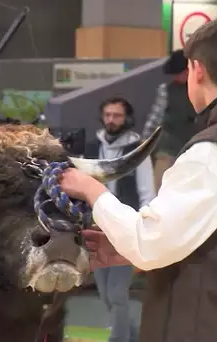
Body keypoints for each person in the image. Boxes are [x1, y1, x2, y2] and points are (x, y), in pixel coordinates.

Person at [58, 17, 217, 342]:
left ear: (196, 70)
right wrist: (130, 247)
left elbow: (149, 243)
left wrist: (91, 190)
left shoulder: (210, 153)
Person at [83, 97, 155, 342]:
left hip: (126, 227)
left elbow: (147, 191)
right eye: (108, 115)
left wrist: (145, 224)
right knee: (105, 294)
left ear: (128, 119)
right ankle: (133, 337)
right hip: (97, 228)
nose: (112, 120)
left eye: (117, 115)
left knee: (116, 293)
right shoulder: (92, 148)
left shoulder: (138, 150)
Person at [142, 49, 198, 191]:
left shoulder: (201, 91)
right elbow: (155, 117)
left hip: (194, 148)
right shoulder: (166, 90)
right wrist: (145, 142)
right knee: (160, 188)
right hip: (168, 149)